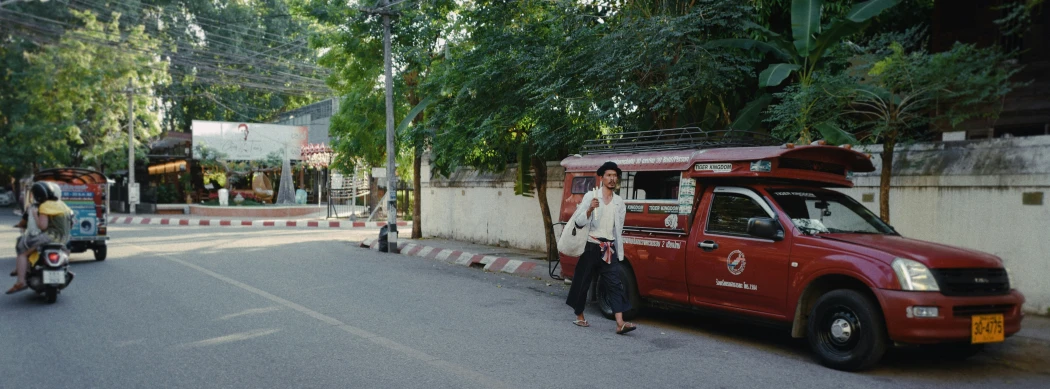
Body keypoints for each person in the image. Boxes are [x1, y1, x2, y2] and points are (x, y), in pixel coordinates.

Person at [565, 161, 637, 335]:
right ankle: (579, 315)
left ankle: (620, 322)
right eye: (609, 175)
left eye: (615, 176)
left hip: (608, 248)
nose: (612, 179)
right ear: (602, 177)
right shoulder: (592, 196)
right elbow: (579, 222)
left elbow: (618, 229)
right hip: (591, 246)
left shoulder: (619, 202)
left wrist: (617, 249)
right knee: (583, 281)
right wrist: (589, 209)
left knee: (614, 283)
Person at [7, 182, 72, 295]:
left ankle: (21, 280)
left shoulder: (43, 206)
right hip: (64, 239)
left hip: (50, 237)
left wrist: (36, 215)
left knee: (22, 250)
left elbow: (43, 226)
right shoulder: (63, 204)